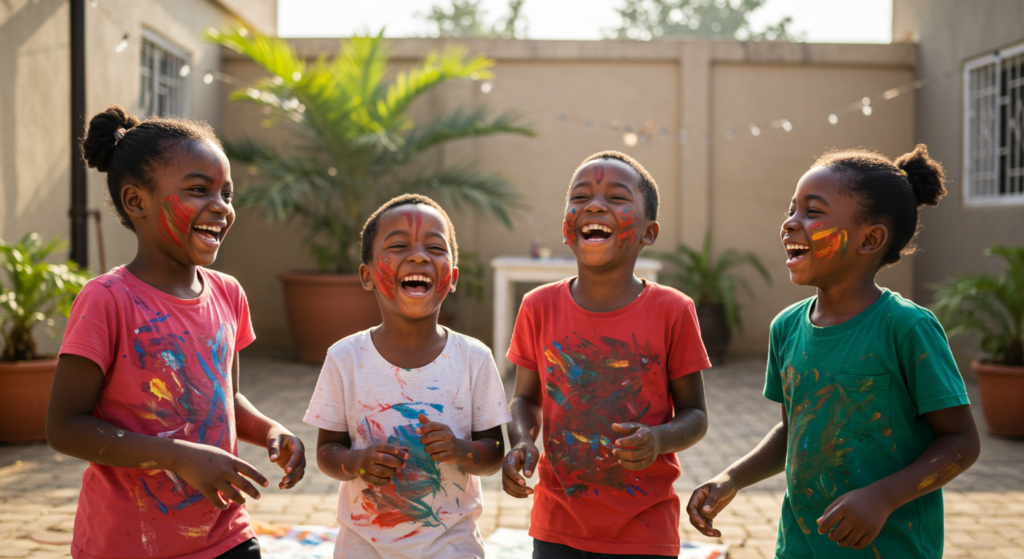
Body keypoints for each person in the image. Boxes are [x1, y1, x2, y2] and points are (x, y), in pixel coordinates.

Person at [686, 145, 981, 558]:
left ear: (870, 239)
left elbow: (961, 441)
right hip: (801, 544)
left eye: (813, 211)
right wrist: (732, 478)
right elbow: (793, 432)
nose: (791, 223)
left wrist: (883, 498)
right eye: (791, 209)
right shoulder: (786, 328)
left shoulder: (906, 328)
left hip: (891, 548)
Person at [46, 105, 306, 559]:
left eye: (227, 193)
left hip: (226, 534)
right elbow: (65, 427)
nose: (221, 207)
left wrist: (270, 430)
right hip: (127, 542)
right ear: (136, 201)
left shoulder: (228, 294)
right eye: (198, 190)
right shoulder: (107, 299)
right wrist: (177, 456)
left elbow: (229, 397)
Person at [502, 151, 712, 558]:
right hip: (556, 524)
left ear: (649, 233)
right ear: (567, 227)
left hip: (644, 530)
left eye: (617, 198)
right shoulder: (537, 306)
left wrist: (657, 439)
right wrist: (522, 441)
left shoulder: (673, 309)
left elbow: (696, 417)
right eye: (580, 197)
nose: (594, 205)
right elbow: (524, 399)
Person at [305, 194, 511, 559]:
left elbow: (494, 452)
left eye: (435, 247)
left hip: (451, 546)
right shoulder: (345, 358)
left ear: (452, 277)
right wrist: (357, 462)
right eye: (399, 245)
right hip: (363, 545)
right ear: (367, 276)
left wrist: (460, 449)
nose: (419, 256)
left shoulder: (474, 359)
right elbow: (326, 451)